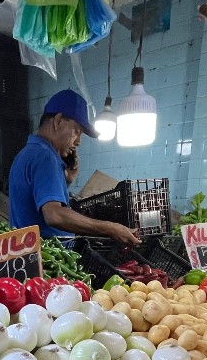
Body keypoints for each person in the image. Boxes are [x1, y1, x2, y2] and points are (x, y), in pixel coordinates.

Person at [9, 90, 140, 244]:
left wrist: (66, 182)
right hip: (46, 261)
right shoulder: (46, 157)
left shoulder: (27, 153)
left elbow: (36, 206)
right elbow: (54, 215)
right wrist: (110, 228)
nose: (78, 141)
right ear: (58, 121)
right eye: (77, 132)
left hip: (31, 257)